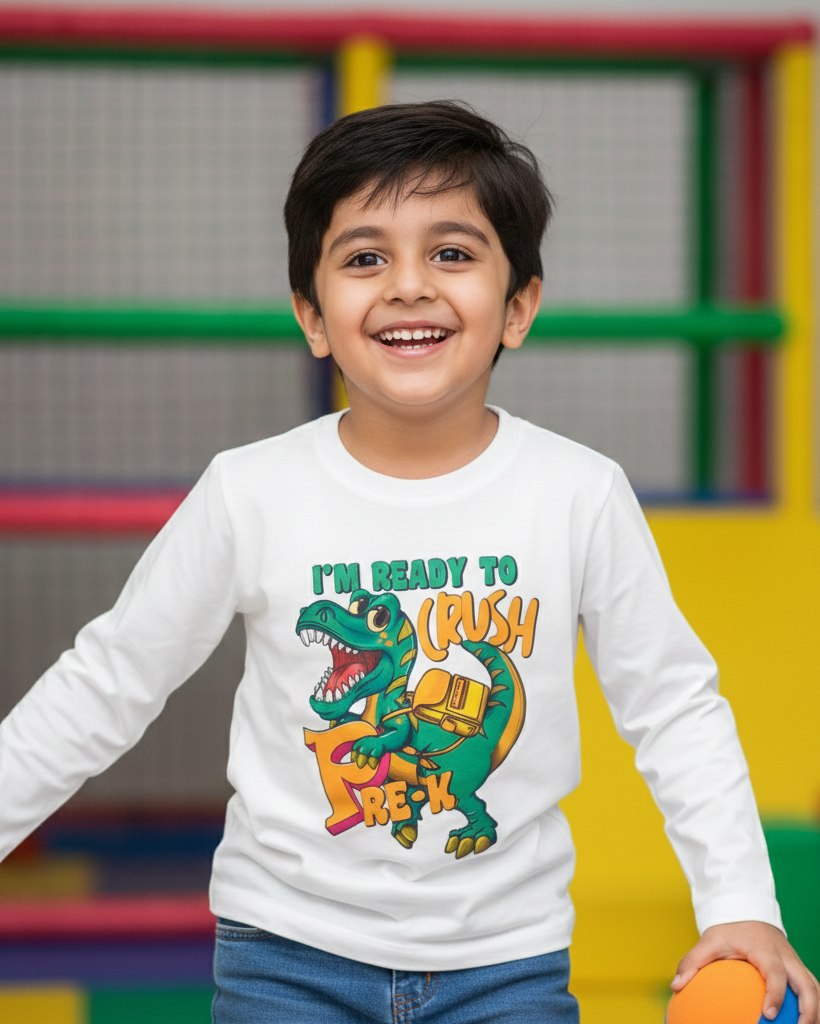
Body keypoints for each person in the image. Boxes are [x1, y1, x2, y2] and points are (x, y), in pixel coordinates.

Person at [0, 101, 817, 1024]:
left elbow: (672, 705)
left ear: (519, 307)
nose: (409, 286)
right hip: (285, 956)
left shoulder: (578, 492)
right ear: (313, 316)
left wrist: (742, 906)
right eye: (364, 258)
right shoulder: (250, 491)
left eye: (453, 253)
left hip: (505, 963)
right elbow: (107, 681)